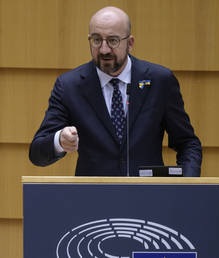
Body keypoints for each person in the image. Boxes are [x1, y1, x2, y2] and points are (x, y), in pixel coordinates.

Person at [29, 6, 202, 176]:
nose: (104, 50)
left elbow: (187, 143)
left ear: (130, 43)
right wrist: (59, 141)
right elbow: (37, 153)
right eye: (97, 40)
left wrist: (186, 188)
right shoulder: (70, 86)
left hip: (148, 198)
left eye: (113, 41)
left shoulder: (159, 81)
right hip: (93, 199)